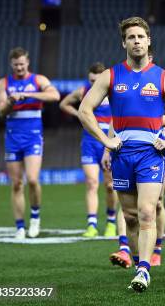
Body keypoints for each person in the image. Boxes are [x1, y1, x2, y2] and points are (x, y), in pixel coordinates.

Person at [79, 17, 165, 292]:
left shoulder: (164, 77)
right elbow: (84, 110)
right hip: (122, 154)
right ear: (124, 43)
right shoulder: (111, 76)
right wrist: (106, 139)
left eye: (141, 36)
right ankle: (140, 260)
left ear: (149, 41)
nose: (137, 41)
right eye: (132, 37)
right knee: (129, 216)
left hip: (151, 154)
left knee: (146, 211)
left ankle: (143, 270)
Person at [0, 47, 60, 239]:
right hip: (12, 137)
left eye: (22, 64)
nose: (20, 67)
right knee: (16, 184)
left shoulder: (38, 80)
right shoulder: (4, 83)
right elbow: (1, 111)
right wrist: (10, 101)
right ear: (11, 64)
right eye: (16, 65)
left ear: (28, 62)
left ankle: (35, 218)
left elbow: (55, 95)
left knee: (32, 179)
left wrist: (29, 95)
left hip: (33, 137)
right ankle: (19, 227)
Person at [60, 62, 118, 238]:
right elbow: (64, 103)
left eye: (97, 81)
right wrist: (79, 114)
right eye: (91, 80)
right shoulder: (83, 91)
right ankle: (91, 224)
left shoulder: (113, 91)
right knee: (92, 183)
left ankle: (111, 222)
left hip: (108, 141)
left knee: (110, 186)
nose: (94, 84)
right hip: (89, 142)